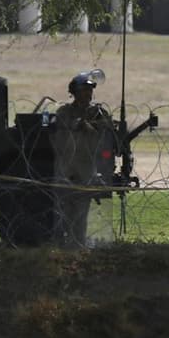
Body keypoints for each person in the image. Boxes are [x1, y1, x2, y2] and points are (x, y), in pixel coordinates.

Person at [50, 69, 116, 247]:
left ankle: (77, 247)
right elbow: (60, 125)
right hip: (66, 168)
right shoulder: (65, 111)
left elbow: (106, 130)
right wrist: (79, 124)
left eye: (89, 90)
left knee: (80, 215)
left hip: (87, 168)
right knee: (63, 214)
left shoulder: (98, 112)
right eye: (83, 90)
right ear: (74, 92)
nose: (87, 94)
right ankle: (63, 248)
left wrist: (91, 125)